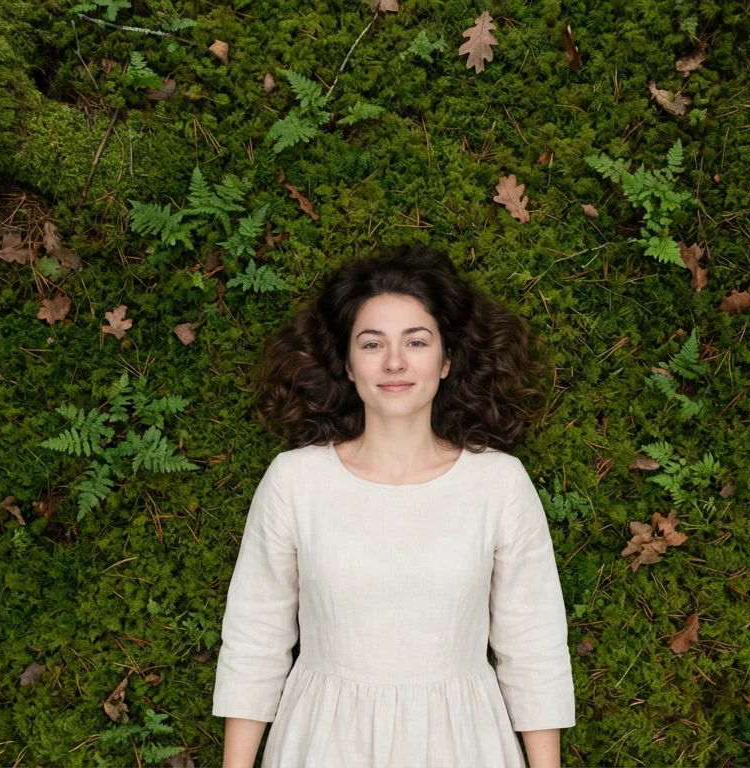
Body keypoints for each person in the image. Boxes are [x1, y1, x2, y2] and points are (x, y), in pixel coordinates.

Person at [212, 244, 576, 768]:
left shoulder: (498, 484)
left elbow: (533, 646)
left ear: (447, 359)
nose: (395, 362)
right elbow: (255, 638)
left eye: (417, 341)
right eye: (372, 343)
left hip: (464, 743)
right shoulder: (296, 481)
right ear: (347, 362)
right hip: (321, 743)